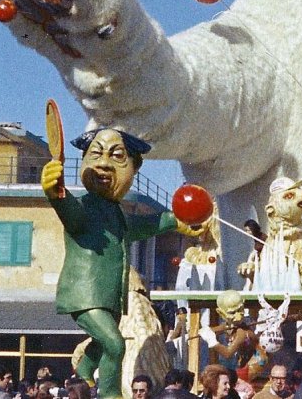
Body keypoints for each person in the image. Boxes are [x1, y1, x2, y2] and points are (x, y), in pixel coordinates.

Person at [42, 128, 191, 399]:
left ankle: (84, 372)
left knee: (101, 344)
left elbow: (139, 226)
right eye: (95, 154)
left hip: (109, 296)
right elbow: (70, 214)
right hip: (85, 293)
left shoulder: (115, 213)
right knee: (114, 344)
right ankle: (110, 394)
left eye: (117, 156)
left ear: (134, 168)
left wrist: (174, 219)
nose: (102, 164)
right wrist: (56, 194)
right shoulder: (85, 208)